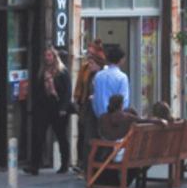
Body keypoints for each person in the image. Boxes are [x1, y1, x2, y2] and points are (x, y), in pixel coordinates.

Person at [28, 46, 71, 174]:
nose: (47, 58)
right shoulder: (42, 71)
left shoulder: (62, 72)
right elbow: (37, 89)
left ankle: (64, 164)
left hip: (58, 107)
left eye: (50, 55)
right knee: (39, 135)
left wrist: (63, 107)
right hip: (44, 107)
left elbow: (67, 92)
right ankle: (34, 166)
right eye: (46, 56)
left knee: (61, 136)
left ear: (54, 57)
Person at [72, 41, 105, 172]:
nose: (88, 60)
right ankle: (83, 164)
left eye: (91, 57)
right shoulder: (85, 69)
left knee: (90, 137)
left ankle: (89, 166)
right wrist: (77, 98)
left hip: (95, 109)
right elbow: (80, 84)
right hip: (85, 105)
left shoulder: (101, 75)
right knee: (83, 136)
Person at [92, 45, 131, 122]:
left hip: (100, 117)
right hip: (116, 119)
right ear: (121, 60)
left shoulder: (98, 75)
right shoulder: (122, 77)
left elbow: (95, 98)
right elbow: (124, 100)